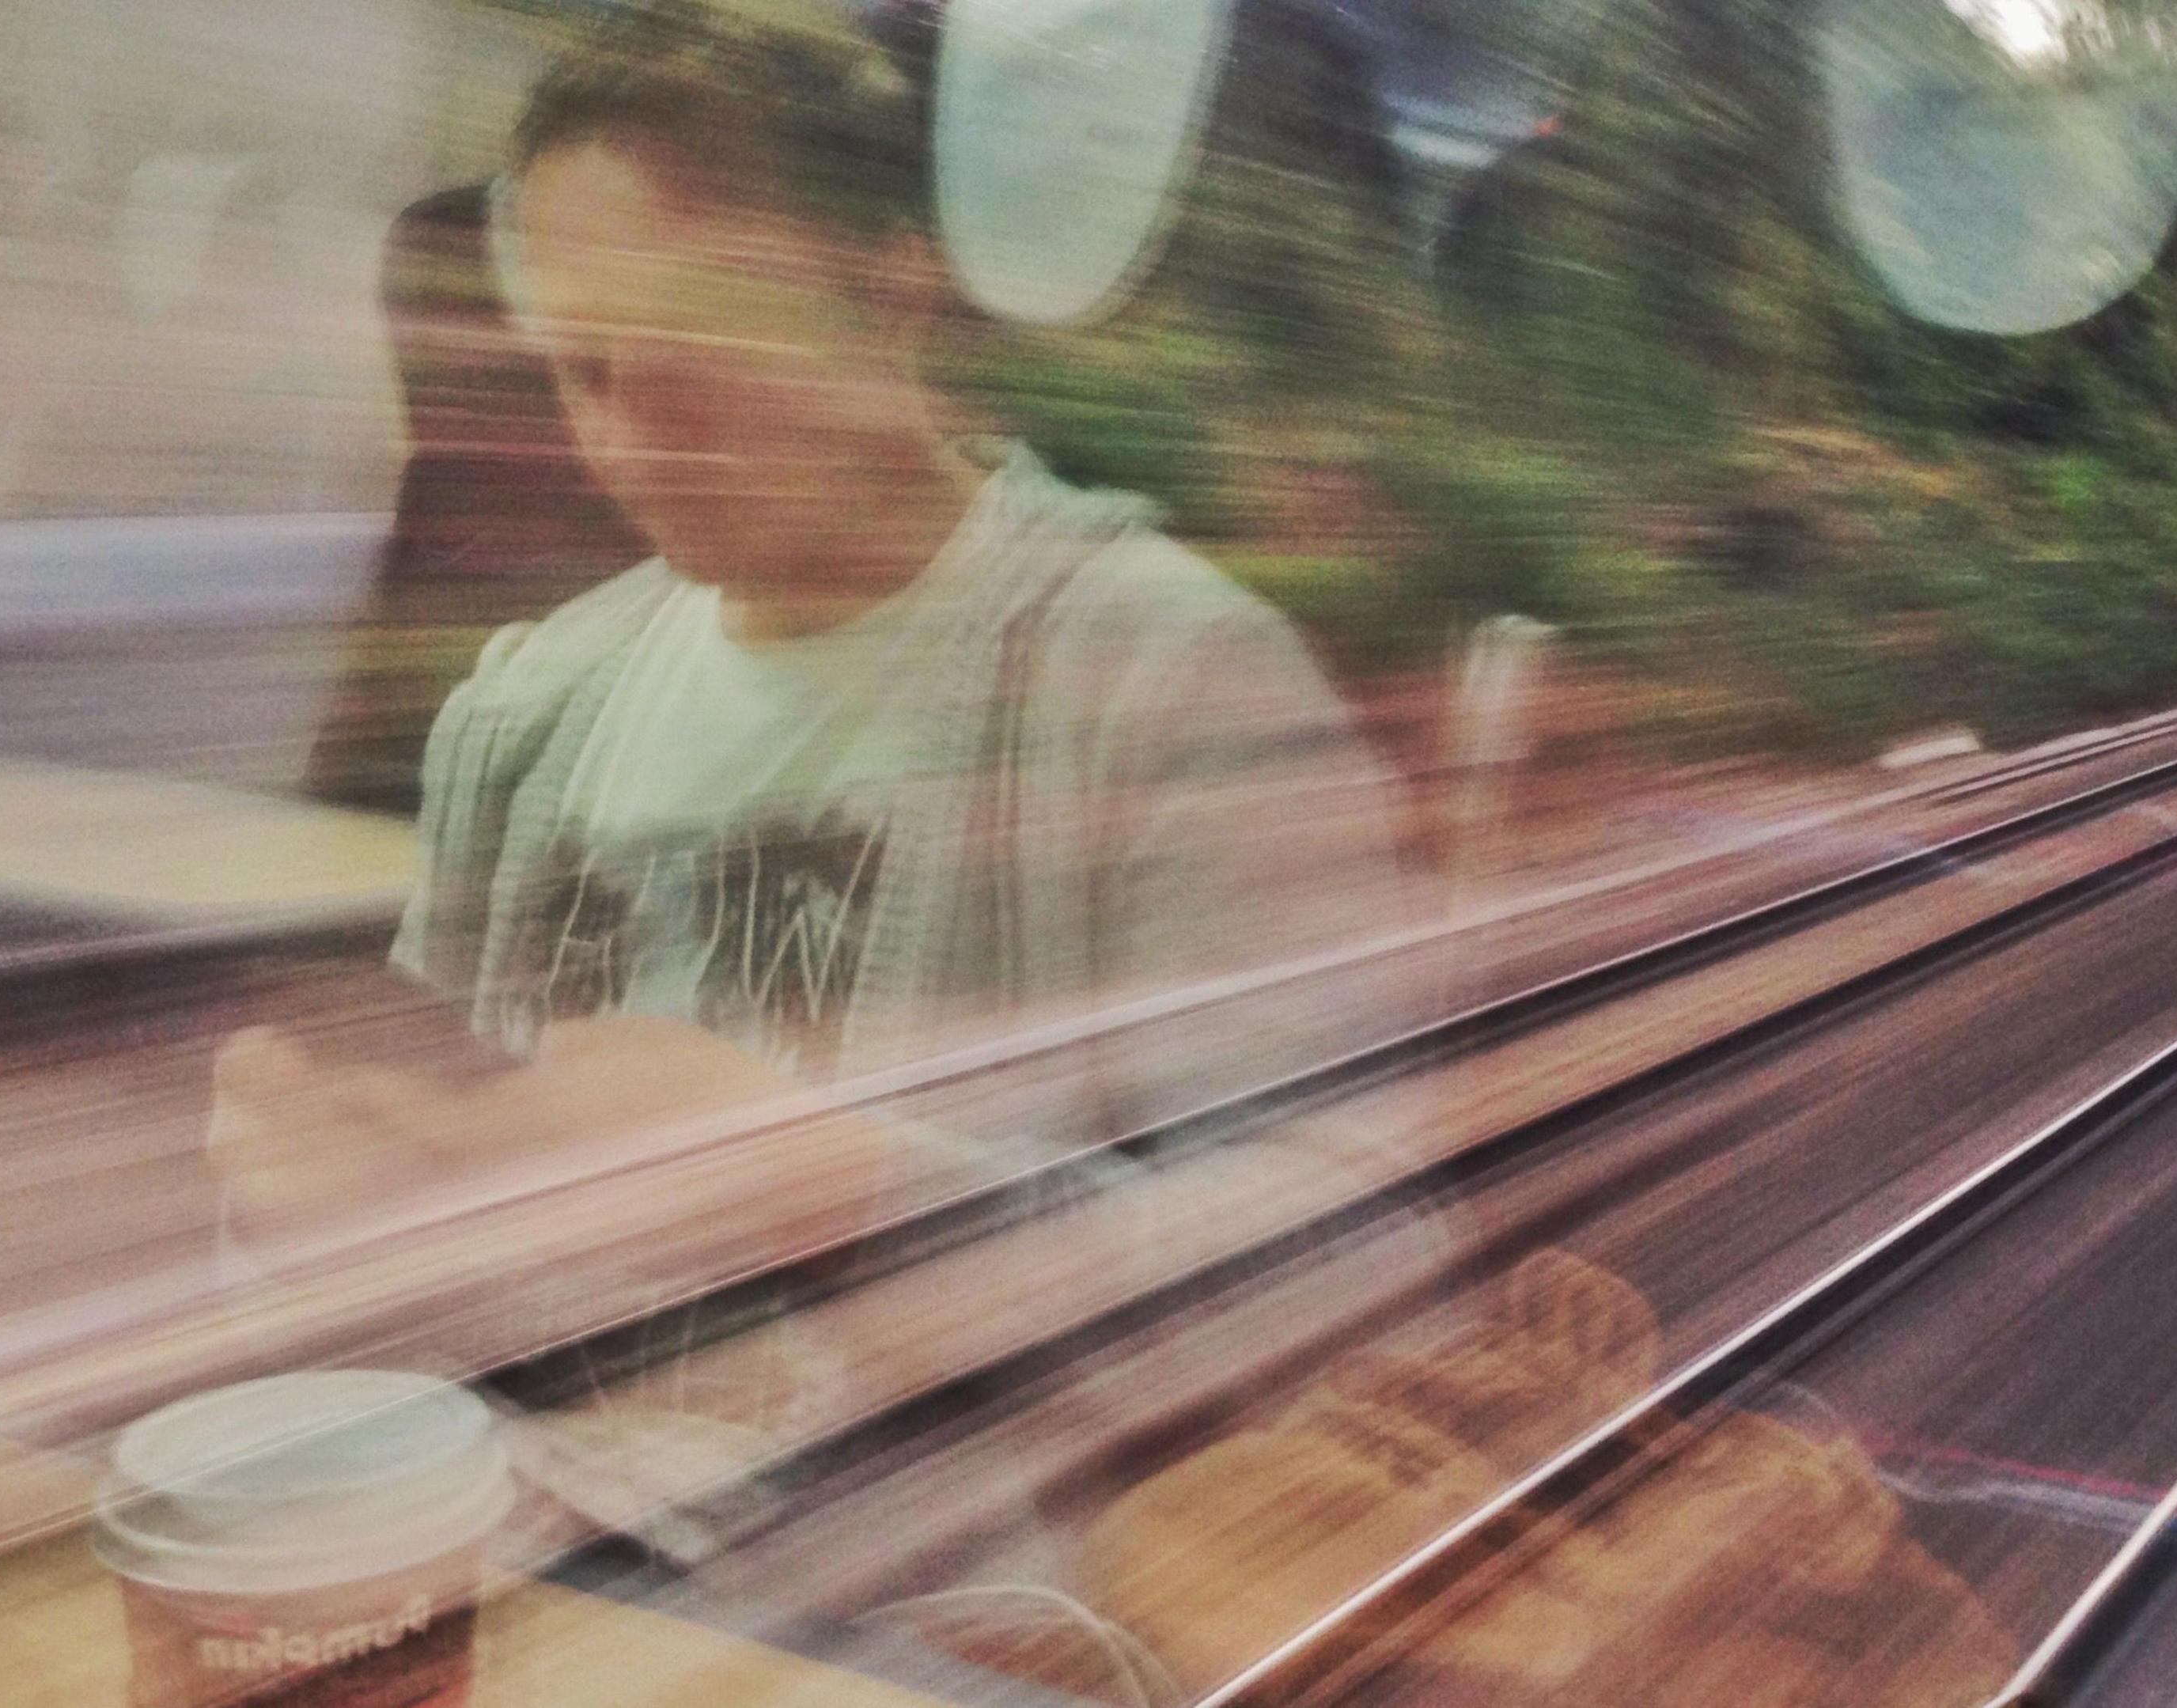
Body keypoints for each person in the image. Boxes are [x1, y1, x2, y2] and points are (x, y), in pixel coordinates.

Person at [207, 0, 1416, 1260]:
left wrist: (827, 1181)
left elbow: (1344, 1265)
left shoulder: (1174, 690)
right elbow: (431, 1175)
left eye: (699, 357)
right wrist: (330, 1188)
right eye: (585, 373)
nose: (625, 444)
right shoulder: (527, 715)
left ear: (893, 300)